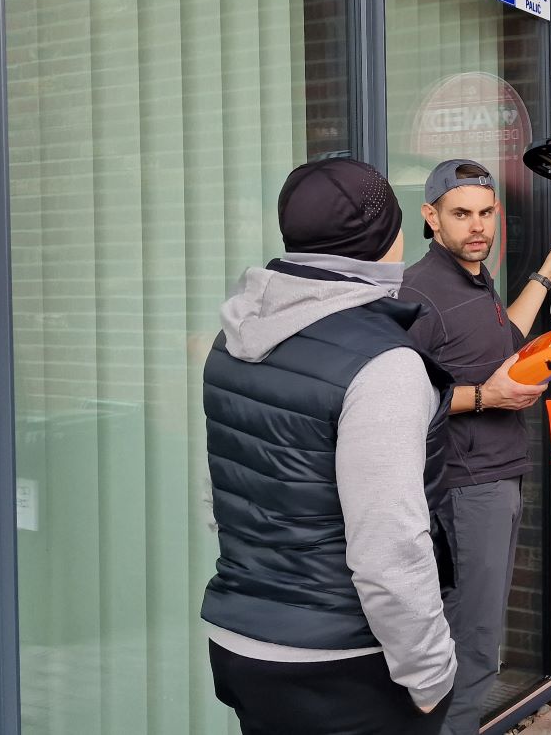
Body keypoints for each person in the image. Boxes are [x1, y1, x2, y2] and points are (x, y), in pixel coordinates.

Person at [202, 158, 457, 734]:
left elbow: (222, 495)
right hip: (343, 665)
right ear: (387, 238)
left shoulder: (235, 336)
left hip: (242, 642)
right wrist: (430, 672)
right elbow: (389, 547)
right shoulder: (385, 365)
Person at [400, 159, 551, 735]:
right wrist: (486, 397)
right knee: (472, 645)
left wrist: (543, 277)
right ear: (431, 217)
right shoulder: (419, 294)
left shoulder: (473, 281)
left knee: (473, 634)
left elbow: (504, 340)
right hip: (465, 487)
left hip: (496, 477)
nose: (477, 226)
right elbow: (394, 399)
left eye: (486, 212)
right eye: (461, 214)